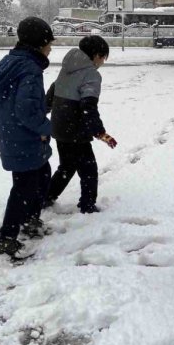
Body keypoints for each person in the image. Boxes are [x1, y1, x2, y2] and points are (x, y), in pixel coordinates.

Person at [0, 17, 55, 258]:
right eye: (49, 43)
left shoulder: (11, 61)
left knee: (42, 175)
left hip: (11, 132)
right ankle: (7, 238)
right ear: (39, 43)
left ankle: (30, 219)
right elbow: (27, 109)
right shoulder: (30, 68)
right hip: (24, 135)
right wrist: (46, 127)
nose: (51, 48)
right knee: (24, 186)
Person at [45, 35, 117, 214]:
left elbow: (52, 94)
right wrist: (100, 132)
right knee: (89, 170)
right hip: (76, 130)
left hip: (60, 127)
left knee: (67, 166)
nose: (102, 62)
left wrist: (42, 111)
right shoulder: (91, 74)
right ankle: (87, 205)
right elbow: (88, 106)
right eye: (103, 58)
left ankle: (46, 197)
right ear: (96, 55)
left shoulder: (67, 68)